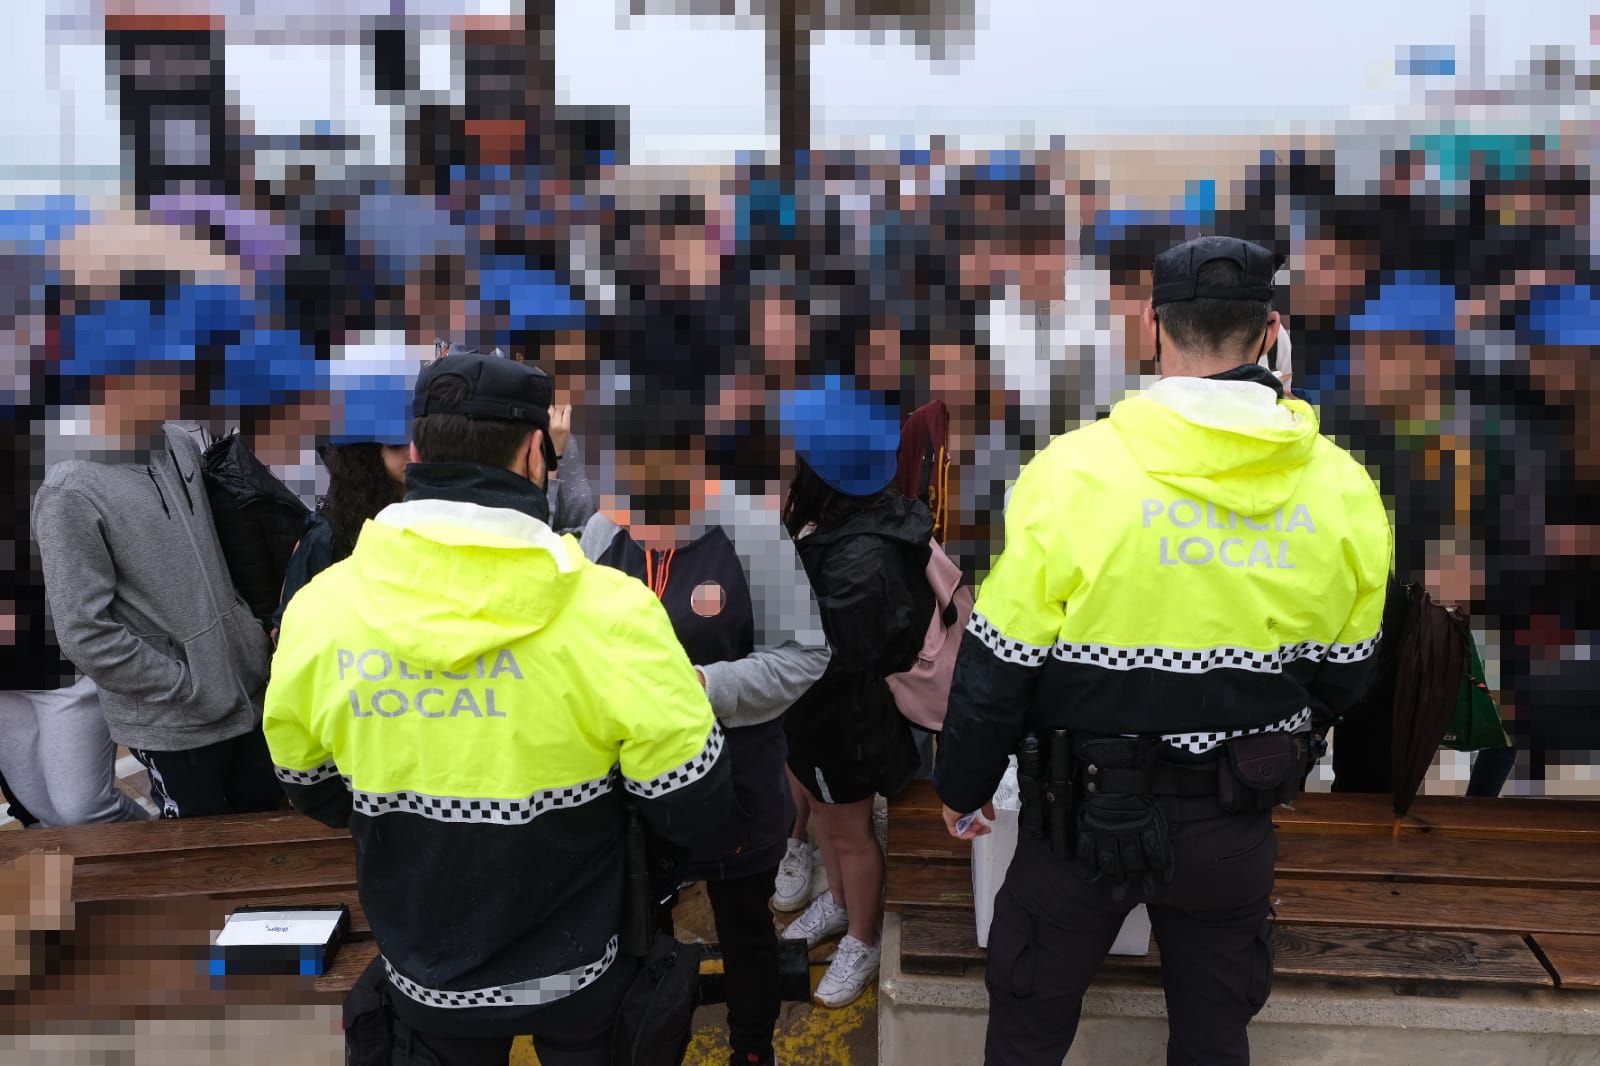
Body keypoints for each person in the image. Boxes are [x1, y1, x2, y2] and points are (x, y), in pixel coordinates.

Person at [935, 236, 1392, 1065]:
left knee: (1029, 1029)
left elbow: (996, 666)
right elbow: (1352, 676)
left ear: (1151, 328)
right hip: (1234, 823)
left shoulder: (1072, 471)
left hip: (1076, 820)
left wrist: (962, 787)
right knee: (1215, 1037)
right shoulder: (1343, 487)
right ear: (1271, 331)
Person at [264, 353, 732, 1066]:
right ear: (535, 451)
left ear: (415, 453)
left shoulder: (322, 610)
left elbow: (309, 787)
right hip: (581, 975)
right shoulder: (614, 612)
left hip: (426, 974)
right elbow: (695, 807)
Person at [573, 387, 829, 1066]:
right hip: (631, 791)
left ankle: (752, 1048)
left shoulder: (749, 531)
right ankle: (651, 1042)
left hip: (735, 783)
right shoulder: (602, 532)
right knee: (640, 931)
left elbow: (806, 654)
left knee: (745, 931)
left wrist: (702, 688)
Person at [32, 299, 280, 820]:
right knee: (200, 863)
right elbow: (84, 632)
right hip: (174, 720)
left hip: (244, 692)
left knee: (268, 829)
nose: (183, 379)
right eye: (166, 368)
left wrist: (247, 641)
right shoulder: (70, 490)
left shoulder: (175, 443)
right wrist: (180, 685)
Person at [776, 377, 936, 1008]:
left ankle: (863, 937)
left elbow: (831, 654)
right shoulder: (857, 524)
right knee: (830, 821)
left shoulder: (855, 560)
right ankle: (839, 902)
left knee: (848, 830)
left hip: (844, 720)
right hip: (823, 717)